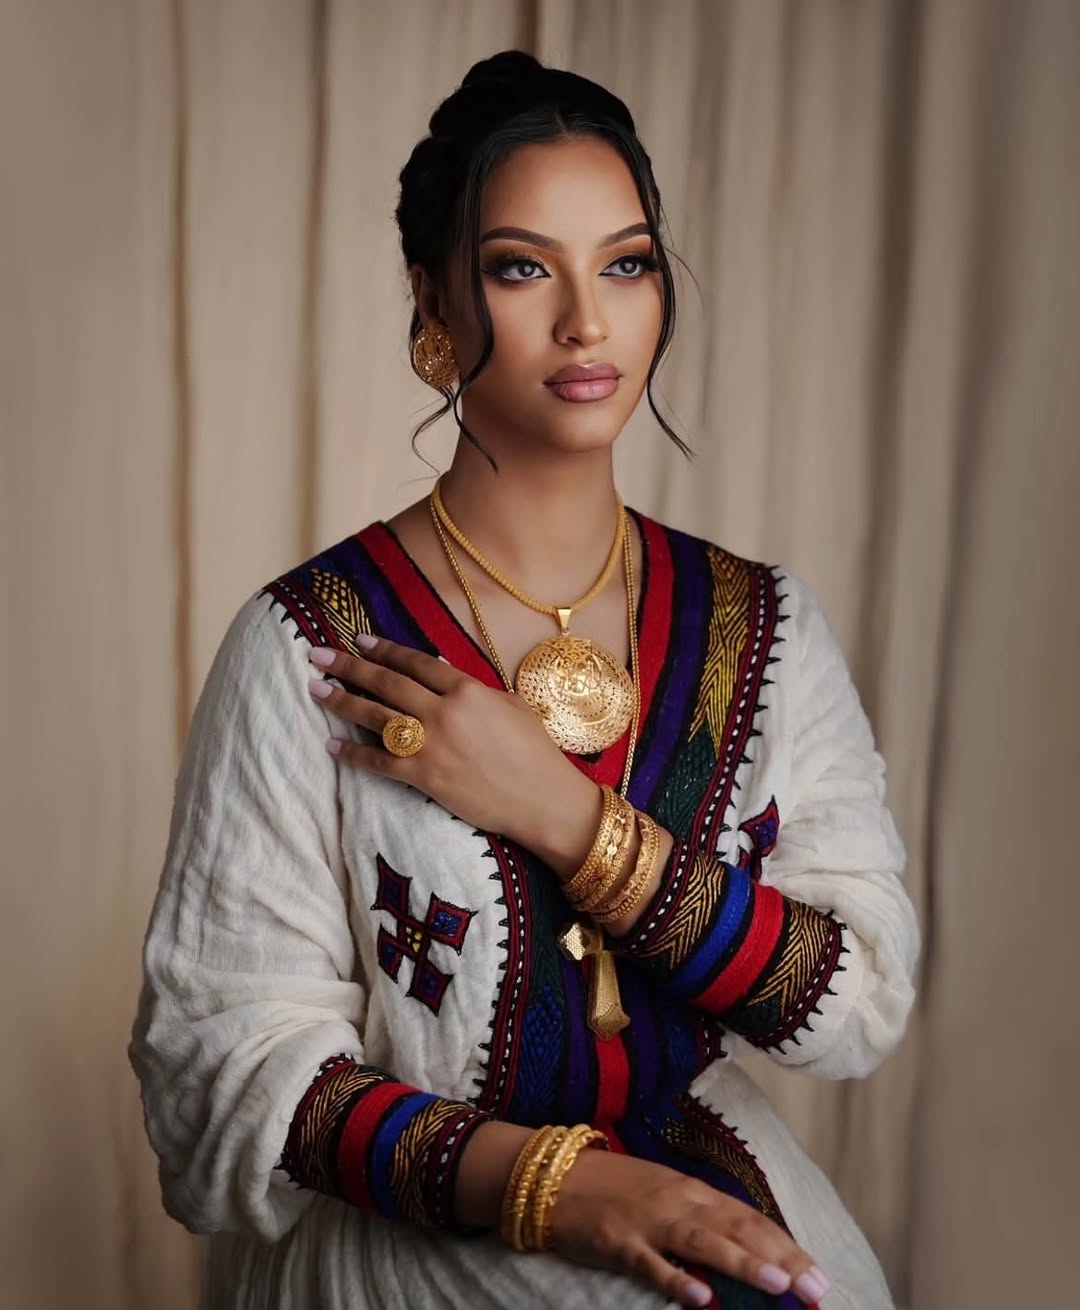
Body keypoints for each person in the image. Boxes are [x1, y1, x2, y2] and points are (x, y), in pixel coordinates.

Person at [130, 50, 919, 1310]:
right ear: (434, 301)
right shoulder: (311, 645)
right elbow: (221, 1073)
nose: (585, 321)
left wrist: (561, 812)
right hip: (416, 1232)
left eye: (624, 262)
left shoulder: (762, 627)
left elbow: (854, 997)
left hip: (721, 1166)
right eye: (519, 267)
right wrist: (562, 1187)